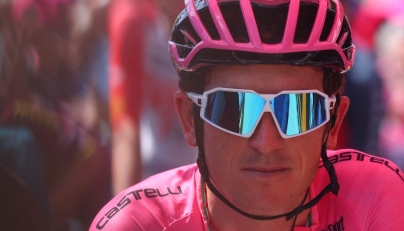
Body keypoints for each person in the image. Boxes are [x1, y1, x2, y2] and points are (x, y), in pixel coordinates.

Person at [90, 0, 404, 230]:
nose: (266, 142)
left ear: (332, 123)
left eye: (297, 110)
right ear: (189, 118)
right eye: (234, 110)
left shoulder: (379, 200)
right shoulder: (135, 225)